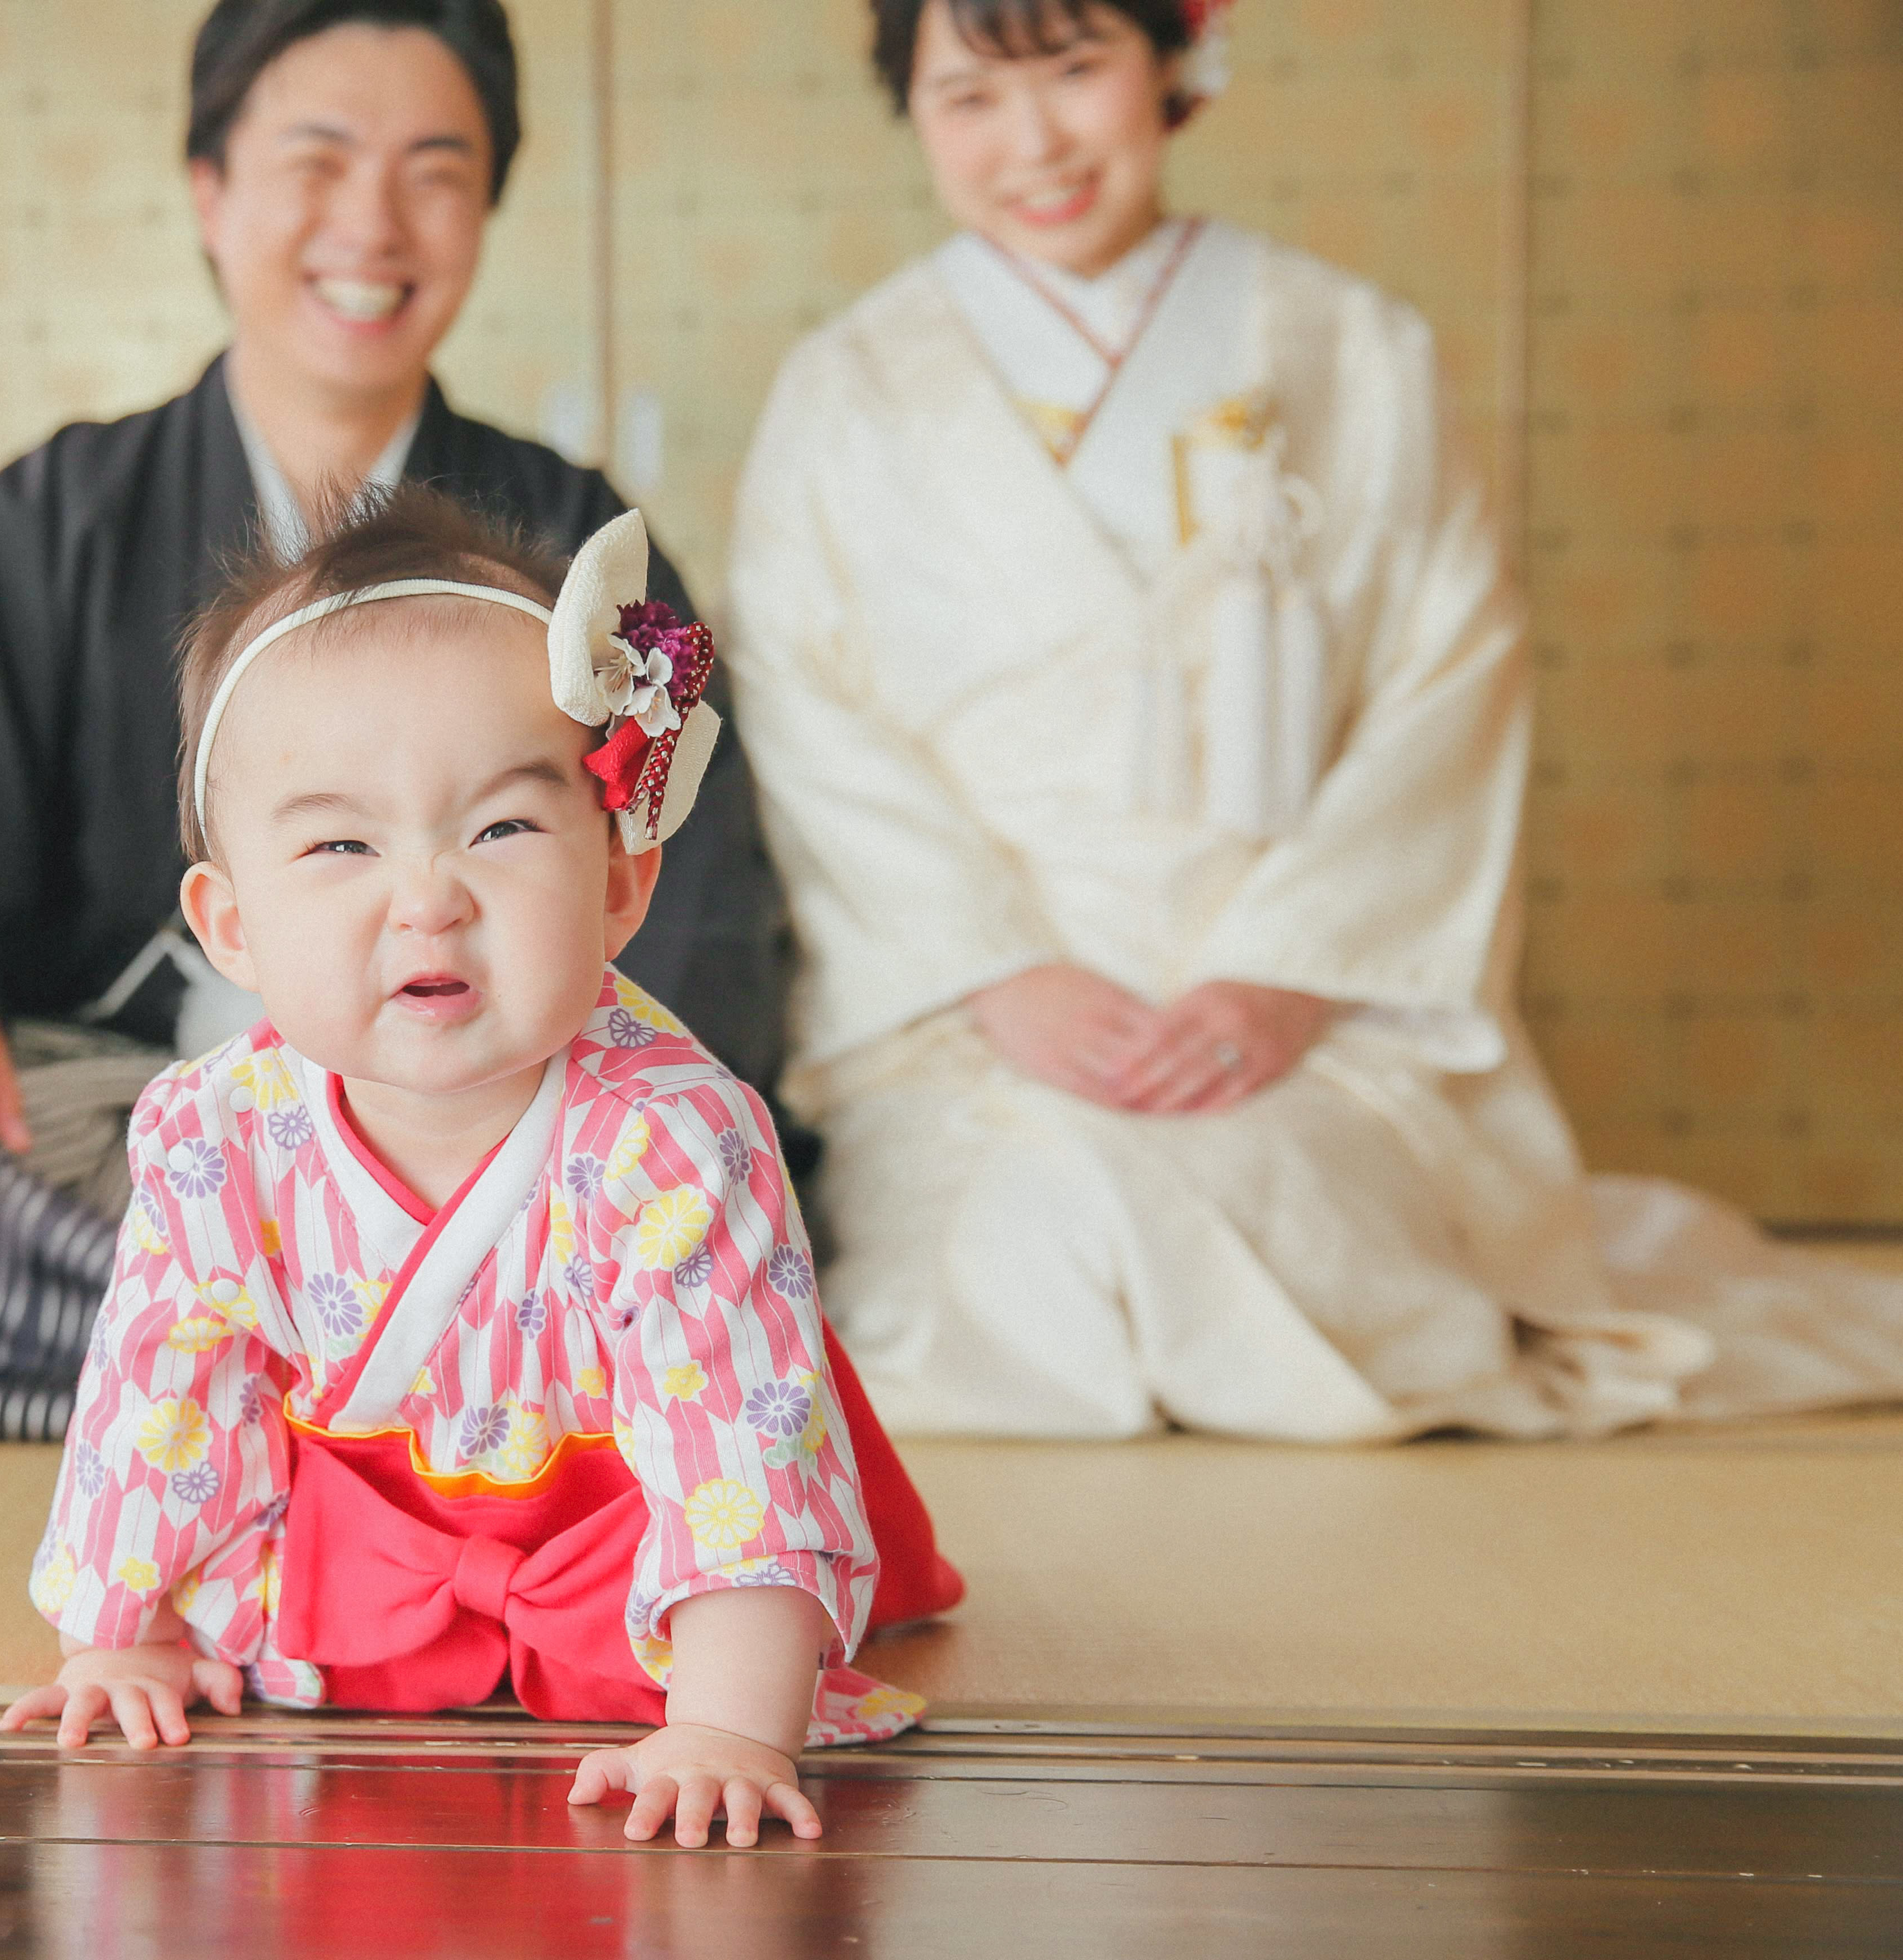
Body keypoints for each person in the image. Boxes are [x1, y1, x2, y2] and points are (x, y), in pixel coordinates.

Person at [0, 0, 790, 1442]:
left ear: (484, 207)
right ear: (210, 190)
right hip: (135, 1140)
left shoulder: (566, 541)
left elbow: (681, 911)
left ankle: (219, 1376)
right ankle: (342, 1369)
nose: (371, 224)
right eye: (316, 161)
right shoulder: (67, 514)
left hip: (475, 1145)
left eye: (433, 170)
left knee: (677, 1171)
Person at [723, 0, 1903, 1440]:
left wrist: (1281, 977)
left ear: (1172, 65)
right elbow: (805, 709)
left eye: (1076, 72)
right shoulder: (845, 388)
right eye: (969, 95)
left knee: (1291, 1219)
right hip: (976, 1021)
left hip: (1293, 1003)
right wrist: (996, 971)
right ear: (910, 112)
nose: (1030, 142)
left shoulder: (1351, 347)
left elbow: (1446, 677)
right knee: (1038, 1232)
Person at [0, 487, 962, 1850]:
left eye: (501, 830)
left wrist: (729, 1726)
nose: (427, 899)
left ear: (619, 882)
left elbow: (735, 1442)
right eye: (340, 844)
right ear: (230, 924)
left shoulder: (669, 1140)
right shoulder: (210, 1137)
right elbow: (159, 1391)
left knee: (750, 1507)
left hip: (646, 1544)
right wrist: (121, 1630)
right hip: (359, 1563)